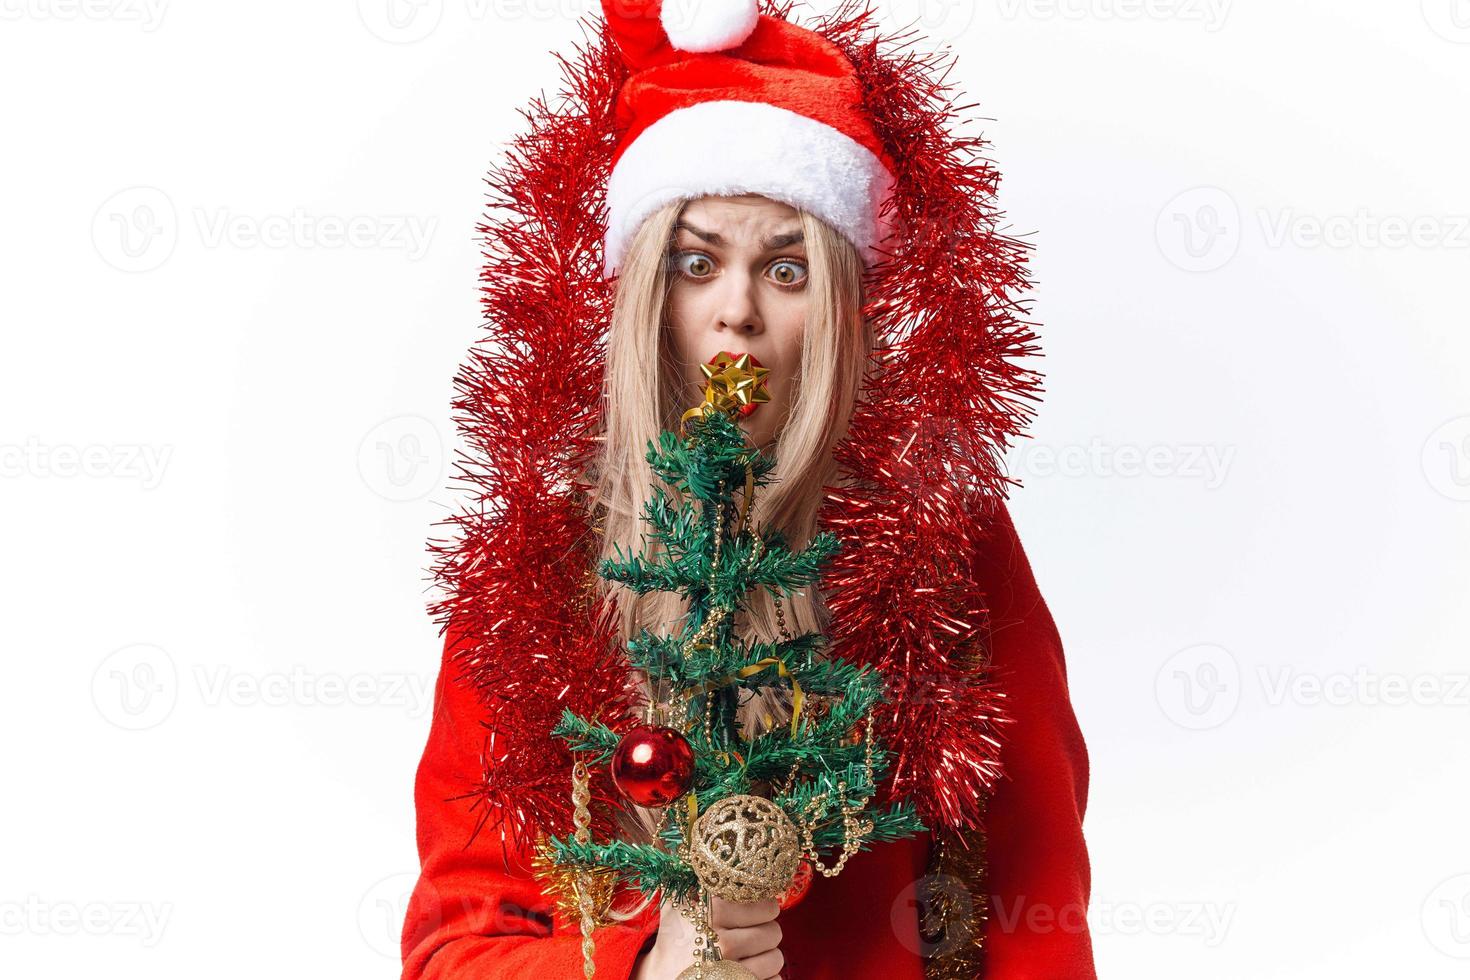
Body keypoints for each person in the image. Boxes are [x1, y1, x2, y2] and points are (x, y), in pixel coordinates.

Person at [401, 3, 1095, 978]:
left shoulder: (940, 529)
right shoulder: (544, 560)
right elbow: (455, 945)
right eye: (697, 262)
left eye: (785, 266)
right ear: (646, 290)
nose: (737, 311)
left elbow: (1036, 901)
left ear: (844, 298)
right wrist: (644, 963)